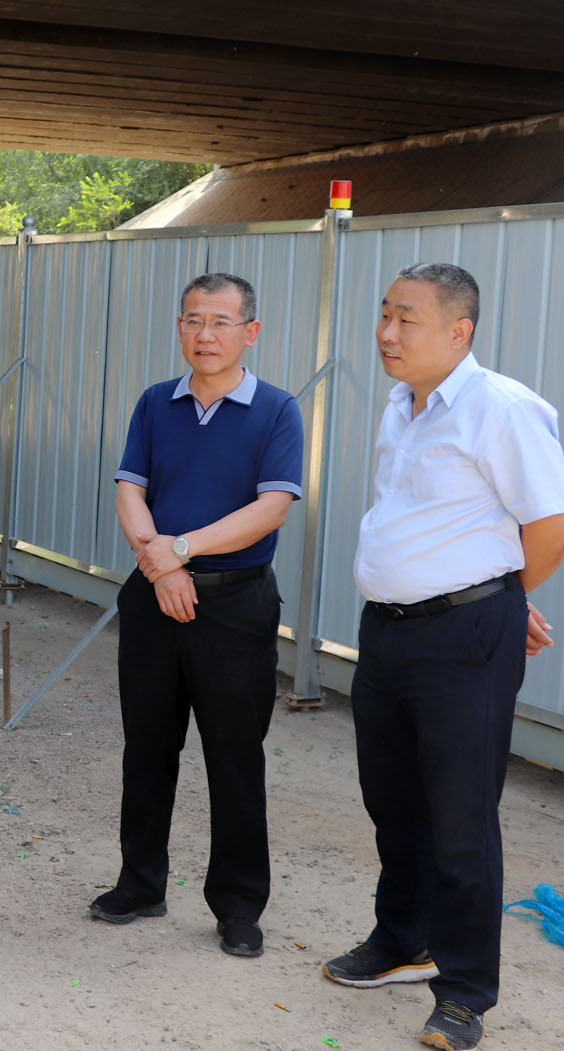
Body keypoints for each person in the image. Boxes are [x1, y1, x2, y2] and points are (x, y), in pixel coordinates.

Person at [323, 263, 564, 1051]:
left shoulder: (502, 408)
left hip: (464, 639)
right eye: (385, 314)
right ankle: (404, 939)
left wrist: (500, 597)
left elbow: (550, 524)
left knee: (461, 819)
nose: (387, 333)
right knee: (393, 800)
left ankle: (464, 993)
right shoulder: (403, 405)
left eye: (407, 319)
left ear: (460, 331)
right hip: (389, 632)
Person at [89, 273, 303, 960]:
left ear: (250, 331)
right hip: (154, 597)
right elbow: (130, 489)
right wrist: (161, 568)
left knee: (234, 757)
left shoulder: (276, 409)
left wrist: (180, 550)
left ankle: (238, 905)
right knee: (147, 747)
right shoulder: (157, 402)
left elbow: (271, 509)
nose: (204, 335)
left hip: (236, 604)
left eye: (220, 322)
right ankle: (140, 883)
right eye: (192, 320)